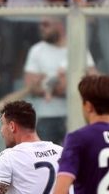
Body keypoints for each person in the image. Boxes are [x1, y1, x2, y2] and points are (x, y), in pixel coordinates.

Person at [24, 16, 95, 145]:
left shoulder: (77, 49)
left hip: (74, 114)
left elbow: (92, 78)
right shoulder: (36, 51)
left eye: (46, 24)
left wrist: (49, 83)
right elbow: (30, 85)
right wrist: (66, 87)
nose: (42, 28)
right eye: (40, 25)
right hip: (46, 115)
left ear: (59, 26)